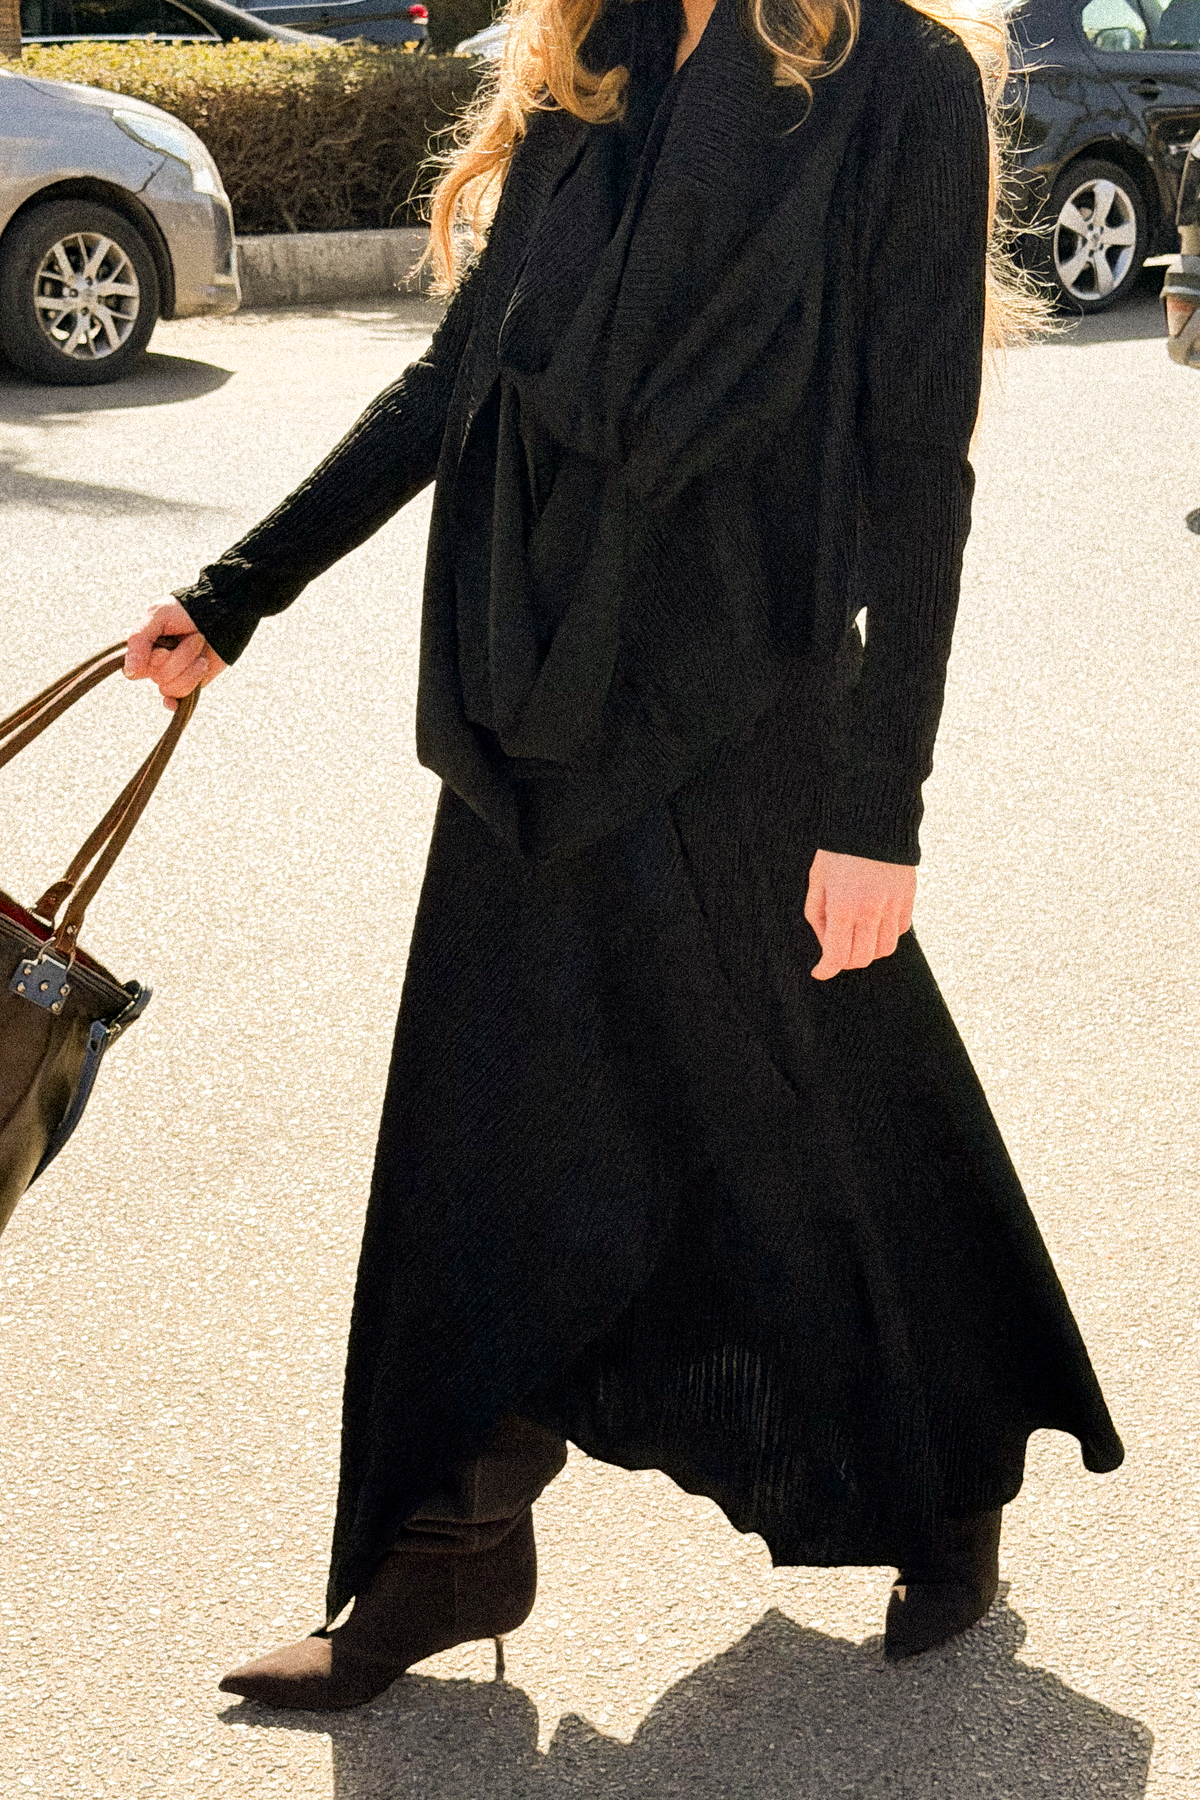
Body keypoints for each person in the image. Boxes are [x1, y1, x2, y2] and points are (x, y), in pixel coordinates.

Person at [125, 0, 1123, 1710]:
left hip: (752, 710)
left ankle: (951, 1476)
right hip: (533, 687)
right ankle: (446, 1544)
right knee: (475, 1121)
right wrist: (239, 593)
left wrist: (879, 812)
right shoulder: (594, 62)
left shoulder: (899, 84)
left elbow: (916, 472)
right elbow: (459, 377)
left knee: (829, 1118)